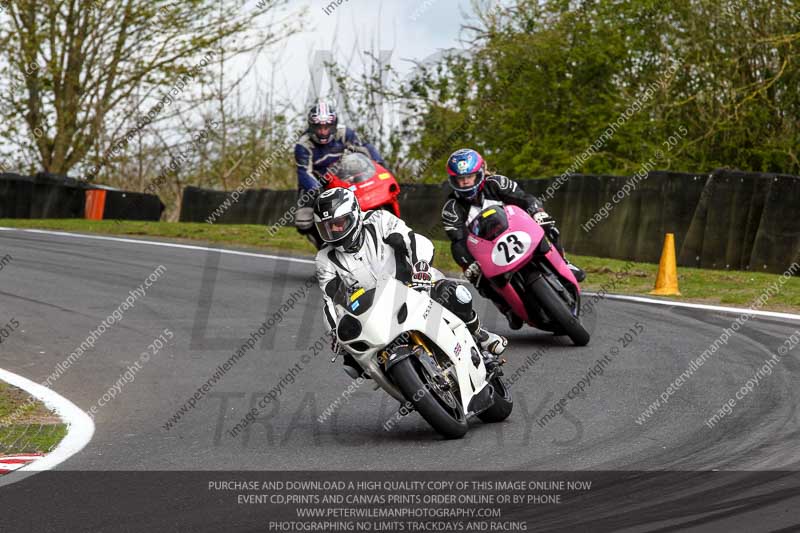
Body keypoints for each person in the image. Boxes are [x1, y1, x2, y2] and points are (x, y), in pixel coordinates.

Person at [314, 187, 507, 379]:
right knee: (353, 364)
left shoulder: (379, 220)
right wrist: (335, 332)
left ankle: (479, 334)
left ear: (354, 214)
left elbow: (413, 241)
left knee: (455, 295)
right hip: (376, 313)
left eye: (338, 223)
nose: (334, 231)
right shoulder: (325, 259)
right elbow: (331, 301)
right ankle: (407, 384)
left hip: (413, 284)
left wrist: (421, 270)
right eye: (327, 227)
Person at [440, 148, 585, 330]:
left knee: (547, 224)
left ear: (480, 173)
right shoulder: (451, 208)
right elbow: (458, 241)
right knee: (478, 278)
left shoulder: (496, 183)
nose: (465, 183)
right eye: (459, 180)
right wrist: (469, 264)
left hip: (517, 231)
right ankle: (506, 307)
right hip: (487, 250)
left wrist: (538, 213)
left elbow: (524, 199)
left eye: (469, 177)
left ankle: (563, 261)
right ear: (452, 181)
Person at [294, 101, 385, 248]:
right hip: (317, 183)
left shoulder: (345, 133)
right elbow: (304, 172)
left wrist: (379, 164)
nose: (323, 132)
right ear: (311, 126)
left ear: (334, 125)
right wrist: (318, 191)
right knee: (302, 221)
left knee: (372, 200)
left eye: (327, 127)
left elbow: (364, 148)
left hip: (345, 177)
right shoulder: (303, 145)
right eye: (319, 127)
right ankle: (323, 245)